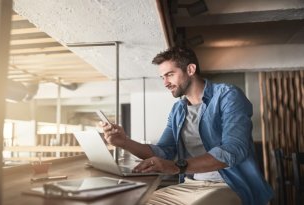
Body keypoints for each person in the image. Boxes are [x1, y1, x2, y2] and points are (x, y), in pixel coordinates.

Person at [101, 46, 273, 205]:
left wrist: (177, 166)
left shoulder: (227, 95)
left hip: (229, 184)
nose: (165, 83)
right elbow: (164, 152)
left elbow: (233, 149)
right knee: (135, 202)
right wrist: (124, 142)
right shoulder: (178, 109)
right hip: (191, 184)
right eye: (162, 77)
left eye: (169, 74)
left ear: (190, 69)